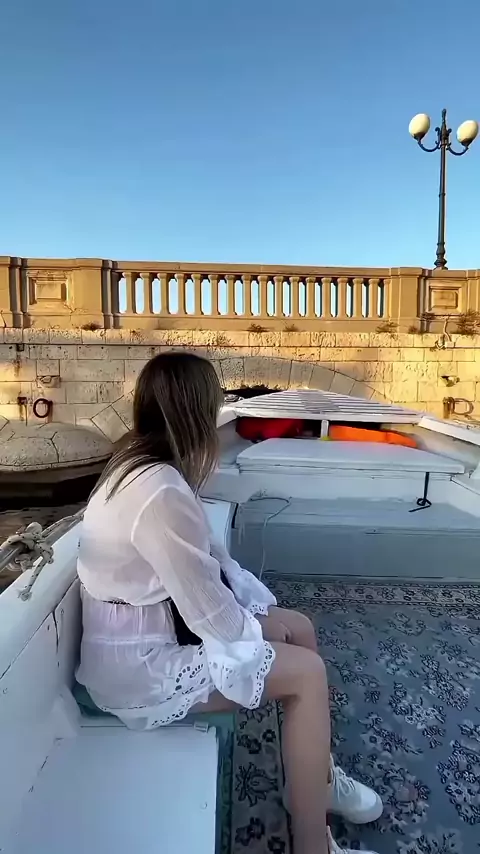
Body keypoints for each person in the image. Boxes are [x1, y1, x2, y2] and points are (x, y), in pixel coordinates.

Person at [76, 352, 382, 854]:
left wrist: (259, 622)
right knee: (306, 675)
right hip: (138, 668)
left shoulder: (137, 467)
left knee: (299, 626)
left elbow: (203, 576)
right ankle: (314, 845)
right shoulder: (158, 490)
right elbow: (204, 606)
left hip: (150, 634)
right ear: (199, 410)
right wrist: (253, 631)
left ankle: (315, 781)